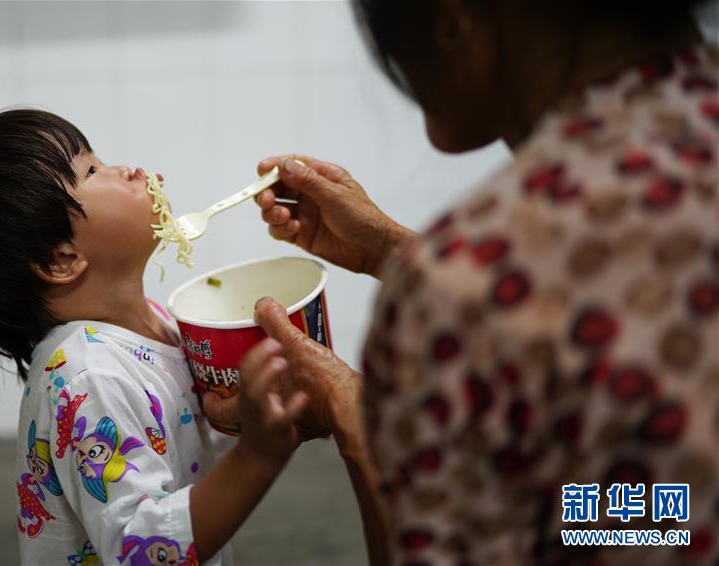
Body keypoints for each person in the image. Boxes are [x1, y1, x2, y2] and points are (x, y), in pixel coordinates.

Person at [209, 1, 718, 564]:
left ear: (455, 23)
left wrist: (353, 416)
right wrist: (392, 249)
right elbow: (664, 512)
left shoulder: (461, 282)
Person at [0, 108, 313, 565]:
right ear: (61, 258)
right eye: (92, 170)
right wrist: (256, 457)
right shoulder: (90, 378)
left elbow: (178, 433)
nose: (129, 169)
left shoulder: (154, 322)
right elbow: (139, 549)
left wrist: (248, 414)